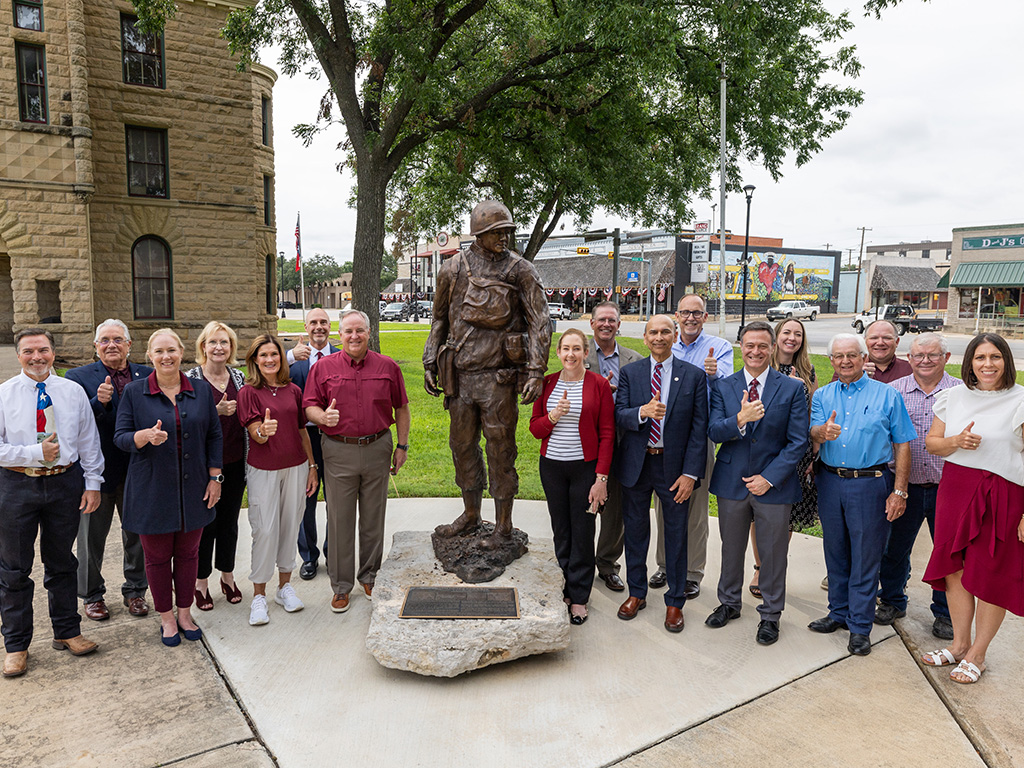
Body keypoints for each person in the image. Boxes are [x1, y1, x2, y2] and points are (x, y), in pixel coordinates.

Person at [423, 200, 550, 549]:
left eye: (508, 231)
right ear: (479, 234)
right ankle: (471, 514)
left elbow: (541, 321)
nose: (504, 237)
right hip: (461, 378)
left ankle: (504, 526)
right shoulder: (452, 269)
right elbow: (439, 319)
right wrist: (430, 359)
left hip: (499, 379)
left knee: (500, 450)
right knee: (462, 446)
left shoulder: (521, 270)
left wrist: (536, 369)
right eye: (497, 232)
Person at [921, 333, 1024, 684]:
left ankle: (978, 654)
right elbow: (932, 443)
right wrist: (955, 441)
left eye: (995, 357)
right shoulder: (954, 396)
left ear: (1006, 362)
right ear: (970, 363)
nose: (988, 364)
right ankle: (960, 644)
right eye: (980, 357)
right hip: (956, 488)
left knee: (991, 570)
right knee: (954, 568)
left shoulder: (1021, 399)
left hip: (1004, 492)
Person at [0, 329, 103, 678]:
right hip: (18, 485)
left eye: (43, 350)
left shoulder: (72, 392)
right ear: (19, 355)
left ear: (53, 353)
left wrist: (92, 484)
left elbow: (89, 441)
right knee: (15, 569)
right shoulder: (4, 395)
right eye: (29, 351)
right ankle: (16, 646)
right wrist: (34, 452)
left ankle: (67, 631)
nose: (37, 357)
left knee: (62, 562)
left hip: (64, 483)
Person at [114, 329, 223, 647]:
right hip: (152, 491)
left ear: (182, 352)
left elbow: (214, 435)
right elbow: (120, 437)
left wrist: (215, 477)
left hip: (195, 490)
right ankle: (166, 618)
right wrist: (143, 436)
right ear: (149, 355)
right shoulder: (135, 392)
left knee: (189, 554)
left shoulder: (201, 390)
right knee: (158, 558)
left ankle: (185, 613)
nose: (166, 356)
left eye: (172, 350)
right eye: (159, 351)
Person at [809, 333, 915, 656]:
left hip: (870, 483)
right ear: (831, 361)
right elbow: (813, 431)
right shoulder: (822, 396)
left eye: (852, 355)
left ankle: (859, 626)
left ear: (863, 358)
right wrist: (820, 432)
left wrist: (900, 490)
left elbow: (903, 444)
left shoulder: (887, 395)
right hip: (830, 482)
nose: (845, 361)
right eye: (839, 356)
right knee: (835, 550)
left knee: (866, 557)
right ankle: (838, 612)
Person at [706, 321, 808, 645]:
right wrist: (739, 419)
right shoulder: (724, 386)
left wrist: (769, 478)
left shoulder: (791, 388)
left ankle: (771, 615)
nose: (756, 351)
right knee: (731, 547)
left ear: (773, 347)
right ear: (740, 346)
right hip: (731, 482)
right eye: (750, 345)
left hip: (773, 485)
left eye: (763, 346)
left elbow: (798, 442)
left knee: (774, 552)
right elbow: (713, 430)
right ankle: (729, 603)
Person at [305, 310, 410, 614]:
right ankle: (340, 586)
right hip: (338, 450)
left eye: (359, 331)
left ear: (368, 332)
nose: (354, 337)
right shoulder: (324, 368)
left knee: (373, 516)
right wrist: (322, 417)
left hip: (378, 446)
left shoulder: (387, 366)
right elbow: (309, 405)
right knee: (340, 520)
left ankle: (369, 575)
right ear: (340, 335)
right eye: (348, 331)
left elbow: (401, 408)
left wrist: (401, 445)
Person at [614, 315, 708, 633]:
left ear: (675, 335)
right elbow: (620, 415)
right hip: (638, 466)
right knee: (636, 533)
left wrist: (691, 474)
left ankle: (674, 602)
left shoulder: (693, 376)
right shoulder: (631, 373)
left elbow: (699, 430)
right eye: (653, 332)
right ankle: (637, 593)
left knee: (676, 536)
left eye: (665, 331)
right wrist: (642, 412)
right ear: (644, 337)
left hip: (674, 468)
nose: (659, 337)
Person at [66, 319, 151, 621]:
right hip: (96, 473)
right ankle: (91, 595)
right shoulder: (77, 378)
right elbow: (70, 422)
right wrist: (96, 402)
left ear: (129, 344)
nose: (111, 345)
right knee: (90, 538)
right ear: (96, 346)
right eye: (104, 340)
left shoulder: (148, 375)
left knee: (138, 534)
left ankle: (136, 591)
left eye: (118, 339)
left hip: (138, 470)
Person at [648, 294, 731, 598]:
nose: (691, 318)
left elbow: (730, 387)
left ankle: (692, 572)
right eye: (685, 313)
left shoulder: (718, 348)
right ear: (677, 316)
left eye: (697, 313)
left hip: (698, 436)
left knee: (694, 507)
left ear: (705, 317)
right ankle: (666, 565)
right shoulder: (668, 344)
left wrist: (714, 373)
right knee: (663, 506)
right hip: (663, 437)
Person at [530, 329, 615, 624]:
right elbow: (535, 429)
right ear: (558, 353)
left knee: (582, 531)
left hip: (585, 468)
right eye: (565, 349)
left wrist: (601, 478)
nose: (570, 354)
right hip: (552, 466)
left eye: (576, 349)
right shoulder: (547, 383)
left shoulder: (599, 384)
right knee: (561, 530)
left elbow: (607, 433)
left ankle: (579, 596)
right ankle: (564, 586)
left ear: (585, 352)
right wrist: (553, 415)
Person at [877, 334, 958, 640]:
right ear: (908, 358)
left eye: (933, 355)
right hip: (904, 486)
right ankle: (892, 600)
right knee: (894, 549)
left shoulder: (961, 393)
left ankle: (946, 612)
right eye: (919, 355)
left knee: (948, 553)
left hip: (947, 488)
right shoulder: (892, 392)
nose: (925, 360)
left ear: (946, 357)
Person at [238, 335, 318, 625]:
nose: (270, 360)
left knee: (289, 527)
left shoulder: (294, 390)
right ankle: (259, 595)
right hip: (264, 471)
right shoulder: (248, 392)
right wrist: (265, 432)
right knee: (265, 530)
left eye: (274, 354)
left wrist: (312, 466)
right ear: (255, 360)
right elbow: (255, 434)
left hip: (296, 467)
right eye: (263, 356)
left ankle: (284, 587)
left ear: (282, 359)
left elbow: (302, 432)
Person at [748, 317, 818, 597]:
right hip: (765, 449)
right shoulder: (763, 365)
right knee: (758, 513)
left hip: (796, 451)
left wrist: (814, 453)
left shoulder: (807, 370)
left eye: (798, 334)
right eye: (787, 332)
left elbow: (812, 408)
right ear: (776, 338)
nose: (792, 338)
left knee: (785, 515)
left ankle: (775, 565)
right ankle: (760, 566)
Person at [186, 321, 247, 610]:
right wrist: (215, 411)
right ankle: (200, 582)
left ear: (231, 348)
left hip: (235, 462)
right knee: (205, 525)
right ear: (203, 347)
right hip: (203, 466)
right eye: (213, 342)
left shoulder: (239, 377)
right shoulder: (192, 379)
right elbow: (184, 419)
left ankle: (227, 575)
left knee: (229, 523)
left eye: (224, 342)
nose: (219, 348)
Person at [584, 301, 643, 592]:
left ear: (619, 325)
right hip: (586, 447)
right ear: (592, 324)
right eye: (601, 320)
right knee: (584, 507)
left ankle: (607, 565)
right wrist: (599, 390)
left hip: (623, 443)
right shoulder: (579, 357)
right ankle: (579, 564)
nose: (607, 324)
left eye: (612, 320)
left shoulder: (635, 359)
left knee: (615, 511)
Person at [288, 308, 340, 581]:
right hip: (304, 439)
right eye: (313, 323)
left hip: (335, 438)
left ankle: (334, 553)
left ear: (330, 326)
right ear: (305, 327)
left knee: (336, 499)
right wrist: (288, 356)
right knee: (305, 499)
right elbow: (261, 371)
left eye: (323, 322)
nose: (318, 327)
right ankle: (309, 557)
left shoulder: (342, 356)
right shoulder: (294, 359)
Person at [831, 319, 911, 383]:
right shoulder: (849, 368)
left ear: (896, 342)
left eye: (886, 338)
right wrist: (854, 378)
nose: (880, 343)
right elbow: (832, 398)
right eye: (874, 338)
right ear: (864, 341)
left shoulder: (911, 370)